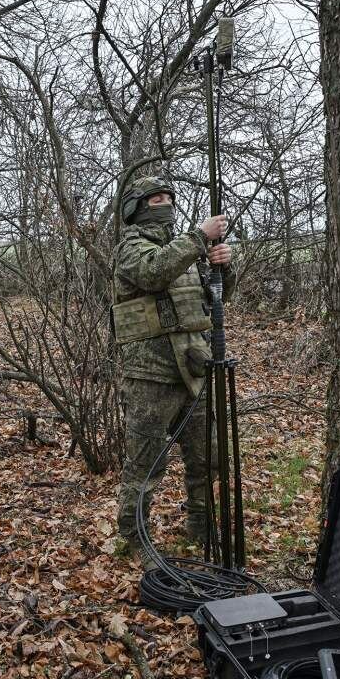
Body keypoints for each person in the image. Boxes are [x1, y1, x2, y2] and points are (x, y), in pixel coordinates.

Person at [112, 175, 235, 567]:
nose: (163, 203)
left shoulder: (185, 250)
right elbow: (153, 273)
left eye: (167, 197)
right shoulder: (131, 246)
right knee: (145, 463)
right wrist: (199, 238)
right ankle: (134, 539)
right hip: (150, 375)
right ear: (137, 207)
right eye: (155, 198)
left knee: (207, 457)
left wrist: (221, 268)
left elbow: (214, 300)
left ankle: (203, 526)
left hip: (193, 369)